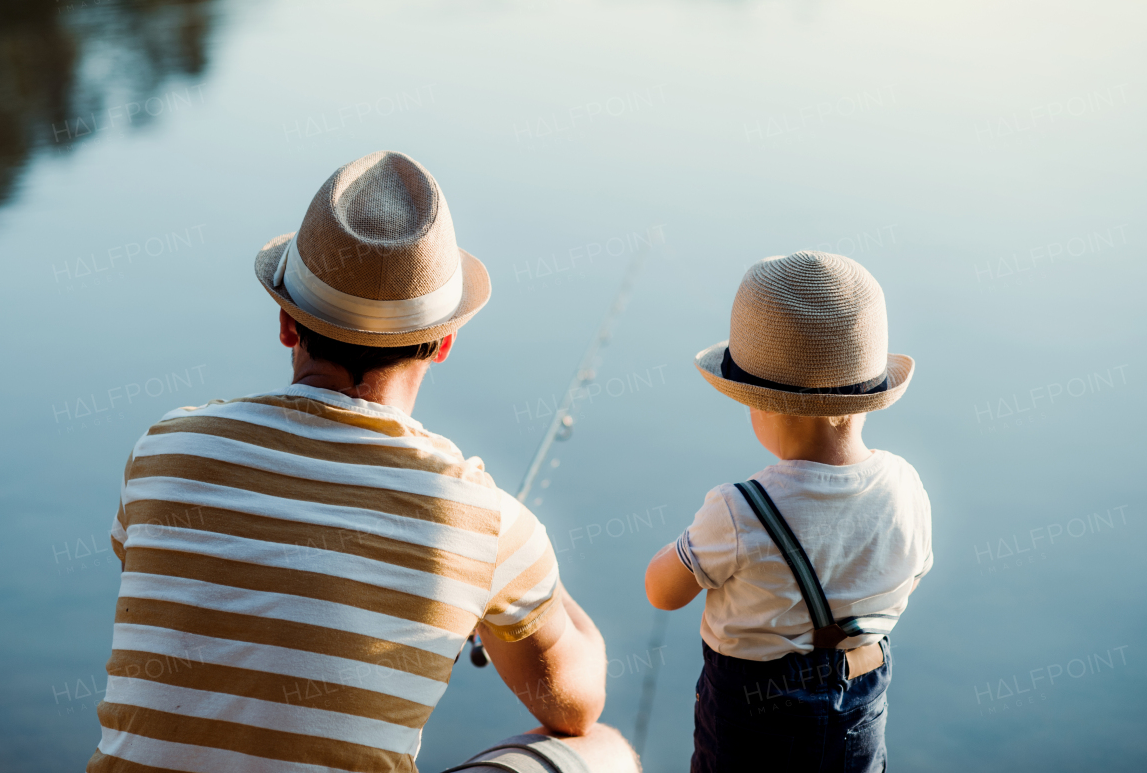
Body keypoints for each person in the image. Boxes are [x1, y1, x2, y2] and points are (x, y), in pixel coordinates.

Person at [87, 150, 639, 773]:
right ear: (445, 343)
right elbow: (575, 707)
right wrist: (514, 596)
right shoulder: (486, 522)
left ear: (287, 323)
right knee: (605, 751)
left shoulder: (165, 450)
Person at [644, 251, 932, 772]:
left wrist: (681, 548)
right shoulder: (906, 486)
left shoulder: (737, 509)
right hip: (861, 698)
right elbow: (908, 578)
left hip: (750, 719)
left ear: (763, 404)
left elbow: (661, 592)